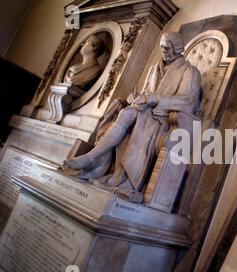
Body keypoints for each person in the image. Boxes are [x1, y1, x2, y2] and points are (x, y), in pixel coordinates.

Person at [63, 32, 201, 203]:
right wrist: (135, 98)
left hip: (165, 118)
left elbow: (187, 100)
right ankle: (93, 160)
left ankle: (125, 181)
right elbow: (145, 92)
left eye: (167, 47)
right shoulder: (154, 68)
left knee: (137, 118)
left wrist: (155, 99)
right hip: (144, 110)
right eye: (162, 46)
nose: (163, 50)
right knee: (123, 110)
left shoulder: (190, 71)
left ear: (177, 48)